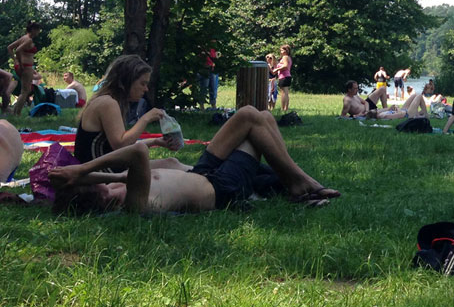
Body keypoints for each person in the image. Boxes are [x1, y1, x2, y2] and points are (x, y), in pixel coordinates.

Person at [50, 106, 339, 214]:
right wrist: (83, 168)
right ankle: (300, 182)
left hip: (203, 173)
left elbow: (107, 177)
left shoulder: (114, 186)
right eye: (89, 184)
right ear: (95, 198)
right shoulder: (133, 204)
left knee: (257, 115)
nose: (96, 182)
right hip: (222, 189)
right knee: (252, 123)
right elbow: (137, 153)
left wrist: (78, 176)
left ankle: (294, 182)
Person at [73, 54, 180, 166]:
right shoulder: (107, 103)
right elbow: (120, 145)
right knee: (170, 165)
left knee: (171, 163)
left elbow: (119, 144)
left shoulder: (107, 100)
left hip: (99, 167)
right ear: (126, 81)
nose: (146, 89)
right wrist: (146, 118)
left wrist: (154, 141)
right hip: (96, 173)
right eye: (142, 83)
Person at [7, 21, 43, 117]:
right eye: (37, 30)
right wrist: (18, 61)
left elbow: (10, 48)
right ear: (33, 30)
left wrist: (15, 61)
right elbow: (18, 50)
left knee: (24, 90)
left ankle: (15, 112)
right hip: (26, 66)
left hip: (22, 66)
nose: (38, 33)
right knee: (25, 91)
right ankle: (17, 113)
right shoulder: (28, 40)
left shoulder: (23, 38)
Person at [197, 44, 220, 109]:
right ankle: (202, 106)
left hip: (212, 69)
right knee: (204, 87)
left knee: (213, 87)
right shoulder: (202, 48)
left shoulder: (214, 48)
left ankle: (213, 105)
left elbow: (215, 57)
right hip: (204, 70)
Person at [276, 45, 293, 112]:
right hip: (285, 76)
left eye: (282, 50)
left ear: (286, 51)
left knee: (284, 93)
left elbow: (285, 66)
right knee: (285, 93)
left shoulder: (285, 57)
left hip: (284, 76)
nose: (281, 51)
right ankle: (285, 108)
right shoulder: (288, 57)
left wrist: (277, 69)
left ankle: (283, 108)